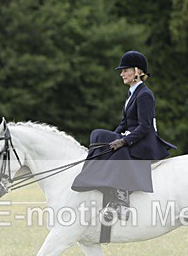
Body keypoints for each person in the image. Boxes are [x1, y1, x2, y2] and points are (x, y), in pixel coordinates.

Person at [72, 50, 176, 222]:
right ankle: (95, 180)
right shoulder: (131, 94)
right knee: (98, 134)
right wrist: (113, 136)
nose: (122, 74)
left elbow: (145, 126)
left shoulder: (144, 94)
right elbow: (124, 123)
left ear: (138, 72)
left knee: (119, 151)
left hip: (143, 141)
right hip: (132, 137)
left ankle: (121, 201)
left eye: (126, 70)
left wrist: (123, 141)